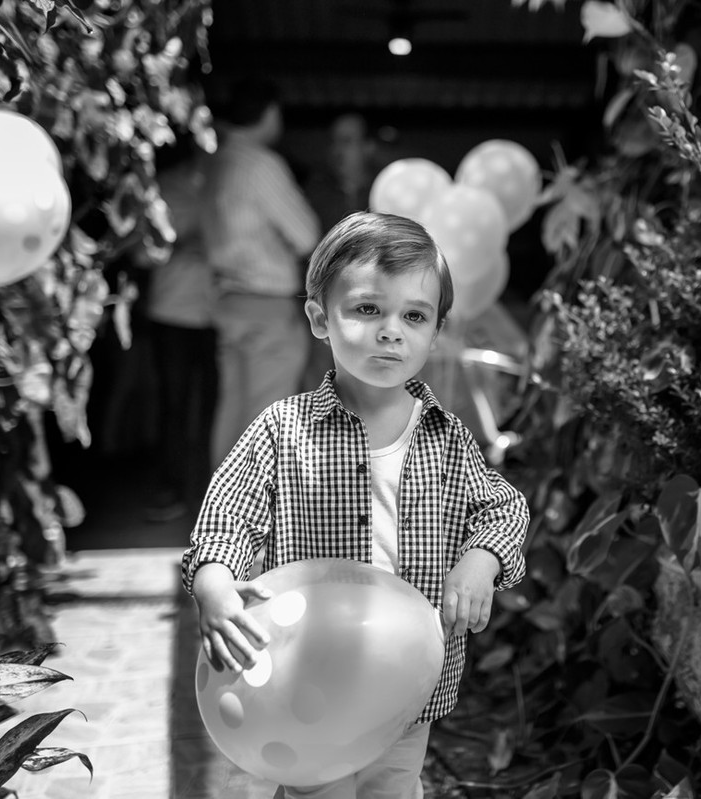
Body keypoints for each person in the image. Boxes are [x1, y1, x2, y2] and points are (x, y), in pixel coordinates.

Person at [180, 211, 529, 799]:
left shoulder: (446, 438)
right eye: (368, 309)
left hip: (406, 681)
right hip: (308, 678)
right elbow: (229, 515)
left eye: (413, 316)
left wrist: (483, 560)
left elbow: (502, 506)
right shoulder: (282, 430)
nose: (391, 331)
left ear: (435, 333)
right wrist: (215, 581)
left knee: (394, 784)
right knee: (320, 791)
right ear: (320, 319)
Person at [200, 77, 320, 468]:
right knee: (267, 417)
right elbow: (306, 235)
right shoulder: (260, 163)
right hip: (266, 302)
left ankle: (224, 513)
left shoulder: (216, 160)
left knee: (233, 409)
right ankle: (256, 521)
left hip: (226, 297)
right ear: (270, 114)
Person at [142, 148, 218, 522]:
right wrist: (179, 244)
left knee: (213, 408)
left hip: (218, 313)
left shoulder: (229, 184)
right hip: (172, 312)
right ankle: (170, 490)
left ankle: (209, 495)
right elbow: (140, 255)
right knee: (174, 406)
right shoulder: (166, 188)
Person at [301, 113, 380, 391]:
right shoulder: (314, 192)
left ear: (368, 147)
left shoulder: (385, 192)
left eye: (347, 141)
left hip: (377, 315)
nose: (337, 149)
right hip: (324, 315)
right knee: (319, 393)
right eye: (334, 141)